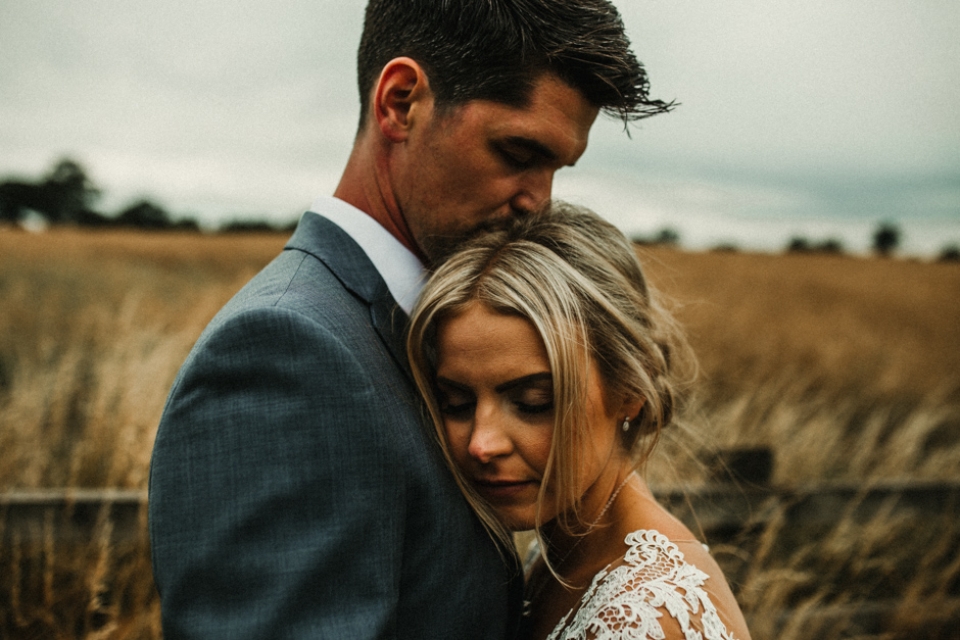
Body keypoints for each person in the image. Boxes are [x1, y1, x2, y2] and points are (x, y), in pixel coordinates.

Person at [148, 1, 674, 638]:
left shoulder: (431, 324)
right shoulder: (286, 353)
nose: (539, 201)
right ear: (400, 102)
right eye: (517, 152)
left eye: (556, 169)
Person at [407, 203, 753, 640]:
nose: (482, 444)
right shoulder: (555, 559)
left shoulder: (646, 619)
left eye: (534, 402)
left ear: (630, 389)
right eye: (455, 402)